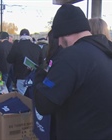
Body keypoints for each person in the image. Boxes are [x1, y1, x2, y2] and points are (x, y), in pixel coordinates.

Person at [33, 4, 112, 140]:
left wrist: (41, 75)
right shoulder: (106, 50)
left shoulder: (71, 57)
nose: (59, 44)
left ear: (65, 32)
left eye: (58, 37)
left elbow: (44, 104)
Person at [7, 29, 43, 95]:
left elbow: (9, 59)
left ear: (20, 36)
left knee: (23, 99)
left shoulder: (16, 47)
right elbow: (41, 63)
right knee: (33, 98)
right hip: (34, 77)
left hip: (21, 77)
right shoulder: (37, 47)